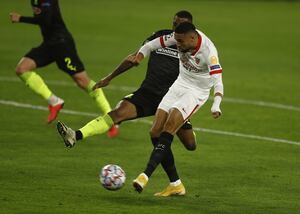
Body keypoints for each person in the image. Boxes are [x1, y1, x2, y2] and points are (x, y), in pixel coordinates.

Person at [57, 11, 198, 195]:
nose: (176, 28)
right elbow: (135, 58)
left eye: (181, 25)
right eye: (175, 24)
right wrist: (110, 77)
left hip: (174, 99)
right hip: (148, 93)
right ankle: (75, 135)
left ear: (190, 29)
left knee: (190, 145)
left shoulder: (195, 47)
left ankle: (177, 177)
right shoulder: (159, 37)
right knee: (118, 113)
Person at [130, 22, 224, 196]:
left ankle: (145, 175)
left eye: (180, 42)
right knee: (155, 132)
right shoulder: (179, 37)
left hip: (196, 93)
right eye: (176, 40)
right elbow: (151, 45)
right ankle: (176, 185)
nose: (177, 45)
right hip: (179, 84)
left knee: (168, 129)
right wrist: (140, 55)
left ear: (193, 38)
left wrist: (216, 104)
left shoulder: (209, 53)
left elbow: (218, 81)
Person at [9, 0, 117, 137]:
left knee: (83, 82)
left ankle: (112, 118)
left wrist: (20, 18)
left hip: (62, 45)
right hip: (49, 45)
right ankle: (54, 101)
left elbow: (45, 20)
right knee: (22, 69)